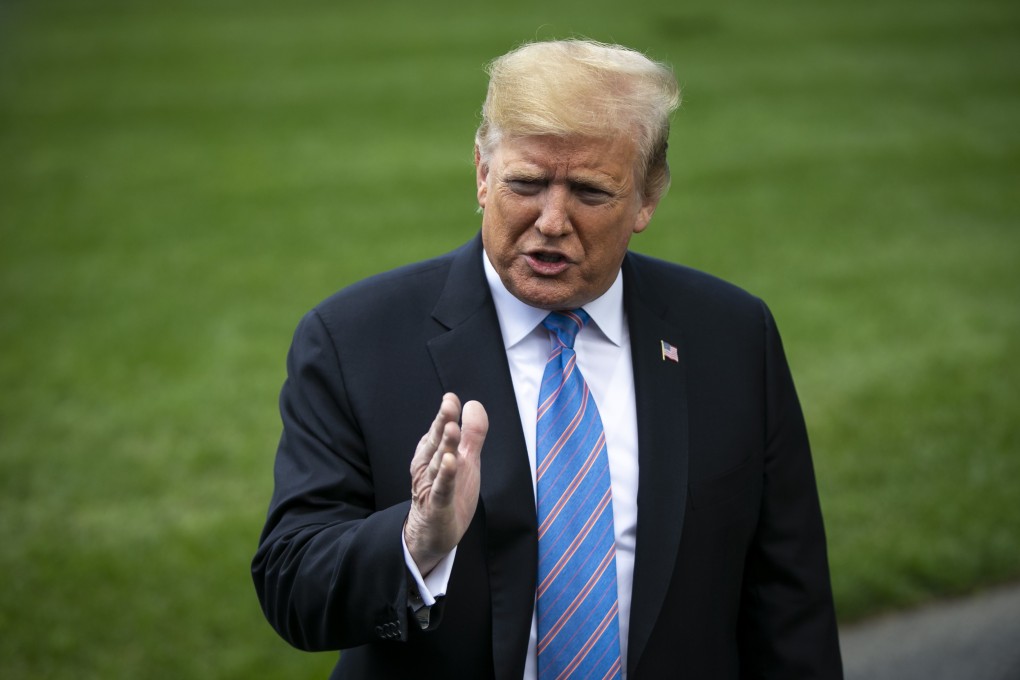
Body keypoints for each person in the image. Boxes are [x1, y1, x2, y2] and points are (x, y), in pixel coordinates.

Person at [252, 39, 843, 679]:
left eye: (590, 192)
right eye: (526, 184)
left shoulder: (731, 336)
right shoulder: (352, 341)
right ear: (481, 172)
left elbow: (790, 601)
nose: (552, 220)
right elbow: (292, 586)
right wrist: (416, 541)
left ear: (648, 198)